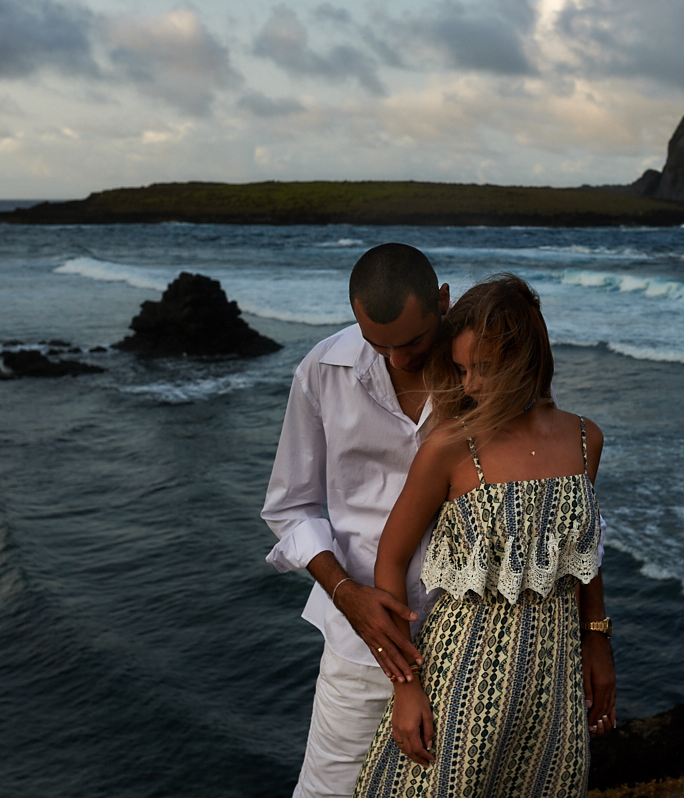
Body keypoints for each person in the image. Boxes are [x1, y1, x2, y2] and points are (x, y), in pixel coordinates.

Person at [263, 246, 614, 798]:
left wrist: (594, 636)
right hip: (369, 646)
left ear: (443, 303)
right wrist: (344, 592)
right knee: (328, 791)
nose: (397, 359)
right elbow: (290, 506)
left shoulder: (484, 363)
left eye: (411, 343)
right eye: (378, 343)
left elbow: (561, 522)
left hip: (482, 658)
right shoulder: (322, 372)